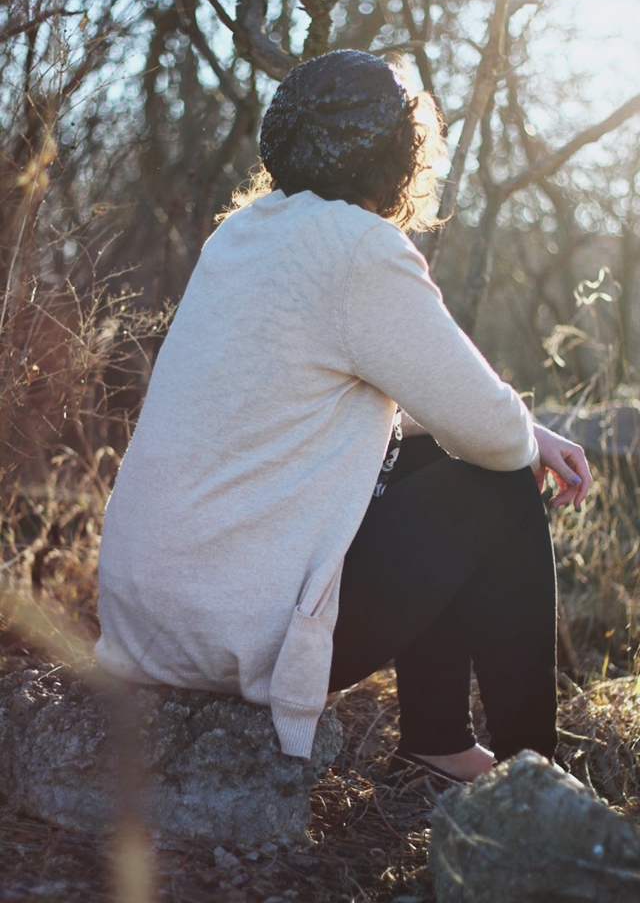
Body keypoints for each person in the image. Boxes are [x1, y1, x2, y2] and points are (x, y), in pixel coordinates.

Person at [95, 49, 591, 784]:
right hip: (239, 630)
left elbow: (398, 407)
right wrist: (529, 439)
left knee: (443, 459)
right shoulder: (360, 248)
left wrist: (527, 432)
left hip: (150, 621)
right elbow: (489, 434)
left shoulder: (241, 235)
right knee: (499, 484)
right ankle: (536, 781)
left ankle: (441, 742)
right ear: (400, 155)